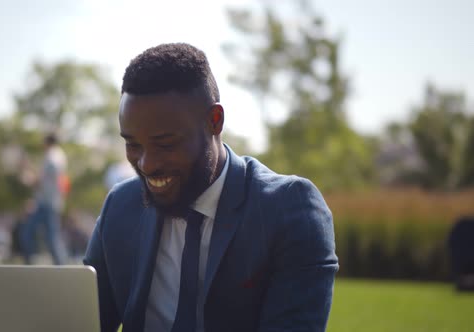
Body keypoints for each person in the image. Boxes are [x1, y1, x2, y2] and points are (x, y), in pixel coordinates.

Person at [83, 43, 338, 332]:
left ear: (214, 121)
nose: (146, 164)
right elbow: (79, 323)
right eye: (133, 144)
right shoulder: (121, 207)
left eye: (165, 143)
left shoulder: (289, 210)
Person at [20, 133, 69, 265]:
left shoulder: (52, 157)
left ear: (47, 142)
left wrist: (28, 173)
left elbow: (42, 181)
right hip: (48, 202)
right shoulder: (57, 155)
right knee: (48, 237)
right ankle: (60, 266)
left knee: (44, 236)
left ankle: (60, 266)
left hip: (48, 203)